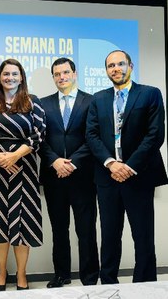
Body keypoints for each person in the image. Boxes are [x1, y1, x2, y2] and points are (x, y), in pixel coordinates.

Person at [86, 50, 168, 284]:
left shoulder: (150, 94)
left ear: (130, 66)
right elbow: (91, 135)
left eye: (120, 64)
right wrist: (111, 164)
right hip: (107, 176)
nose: (116, 69)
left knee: (142, 236)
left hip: (139, 176)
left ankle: (144, 285)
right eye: (111, 66)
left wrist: (129, 167)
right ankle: (108, 284)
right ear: (106, 71)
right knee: (109, 236)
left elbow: (155, 135)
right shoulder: (98, 98)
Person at [0, 59, 45, 291]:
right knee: (0, 223)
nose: (10, 78)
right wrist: (0, 157)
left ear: (22, 77)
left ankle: (22, 274)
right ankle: (1, 272)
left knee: (22, 223)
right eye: (6, 74)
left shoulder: (33, 102)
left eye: (15, 74)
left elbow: (38, 135)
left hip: (24, 170)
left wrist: (14, 156)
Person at [39, 58, 99, 288]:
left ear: (75, 74)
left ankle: (90, 277)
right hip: (54, 177)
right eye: (57, 74)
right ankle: (61, 275)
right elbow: (39, 139)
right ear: (53, 77)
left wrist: (73, 163)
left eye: (65, 72)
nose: (61, 77)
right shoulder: (43, 104)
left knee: (86, 230)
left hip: (83, 177)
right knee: (59, 230)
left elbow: (94, 137)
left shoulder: (91, 102)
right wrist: (55, 161)